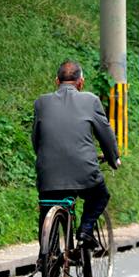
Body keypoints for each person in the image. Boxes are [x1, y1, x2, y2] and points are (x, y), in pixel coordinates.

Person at [32, 60, 121, 249]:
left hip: (49, 173)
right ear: (81, 82)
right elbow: (106, 135)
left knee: (47, 206)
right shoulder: (90, 100)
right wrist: (113, 158)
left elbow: (36, 140)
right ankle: (85, 230)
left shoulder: (41, 102)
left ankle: (46, 257)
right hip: (83, 171)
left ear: (57, 81)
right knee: (99, 196)